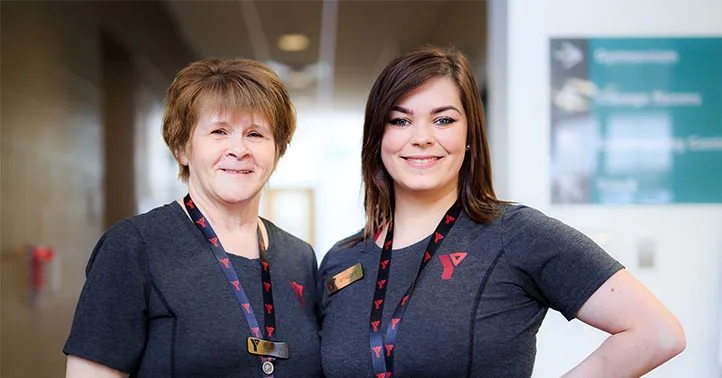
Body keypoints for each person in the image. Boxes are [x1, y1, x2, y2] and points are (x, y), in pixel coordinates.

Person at [317, 46, 685, 377]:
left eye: (443, 120)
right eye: (400, 120)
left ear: (470, 136)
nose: (421, 137)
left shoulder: (515, 234)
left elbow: (657, 333)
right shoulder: (341, 259)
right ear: (377, 137)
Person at [64, 58, 322, 377]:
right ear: (182, 149)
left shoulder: (300, 258)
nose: (238, 149)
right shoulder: (134, 247)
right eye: (219, 131)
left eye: (255, 134)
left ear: (277, 150)